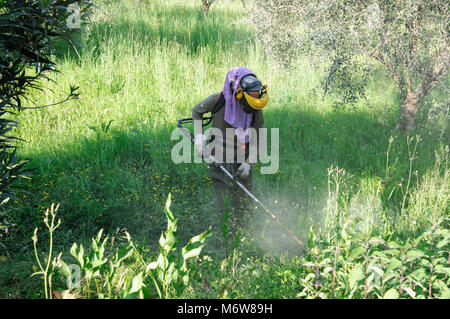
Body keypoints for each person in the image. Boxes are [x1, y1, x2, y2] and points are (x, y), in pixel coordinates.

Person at [191, 67, 268, 232]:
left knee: (244, 203)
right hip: (218, 160)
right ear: (238, 93)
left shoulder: (255, 108)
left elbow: (259, 141)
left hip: (243, 159)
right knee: (223, 204)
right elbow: (197, 111)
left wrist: (249, 164)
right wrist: (199, 137)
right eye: (249, 100)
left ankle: (245, 236)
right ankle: (224, 237)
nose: (252, 105)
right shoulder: (219, 100)